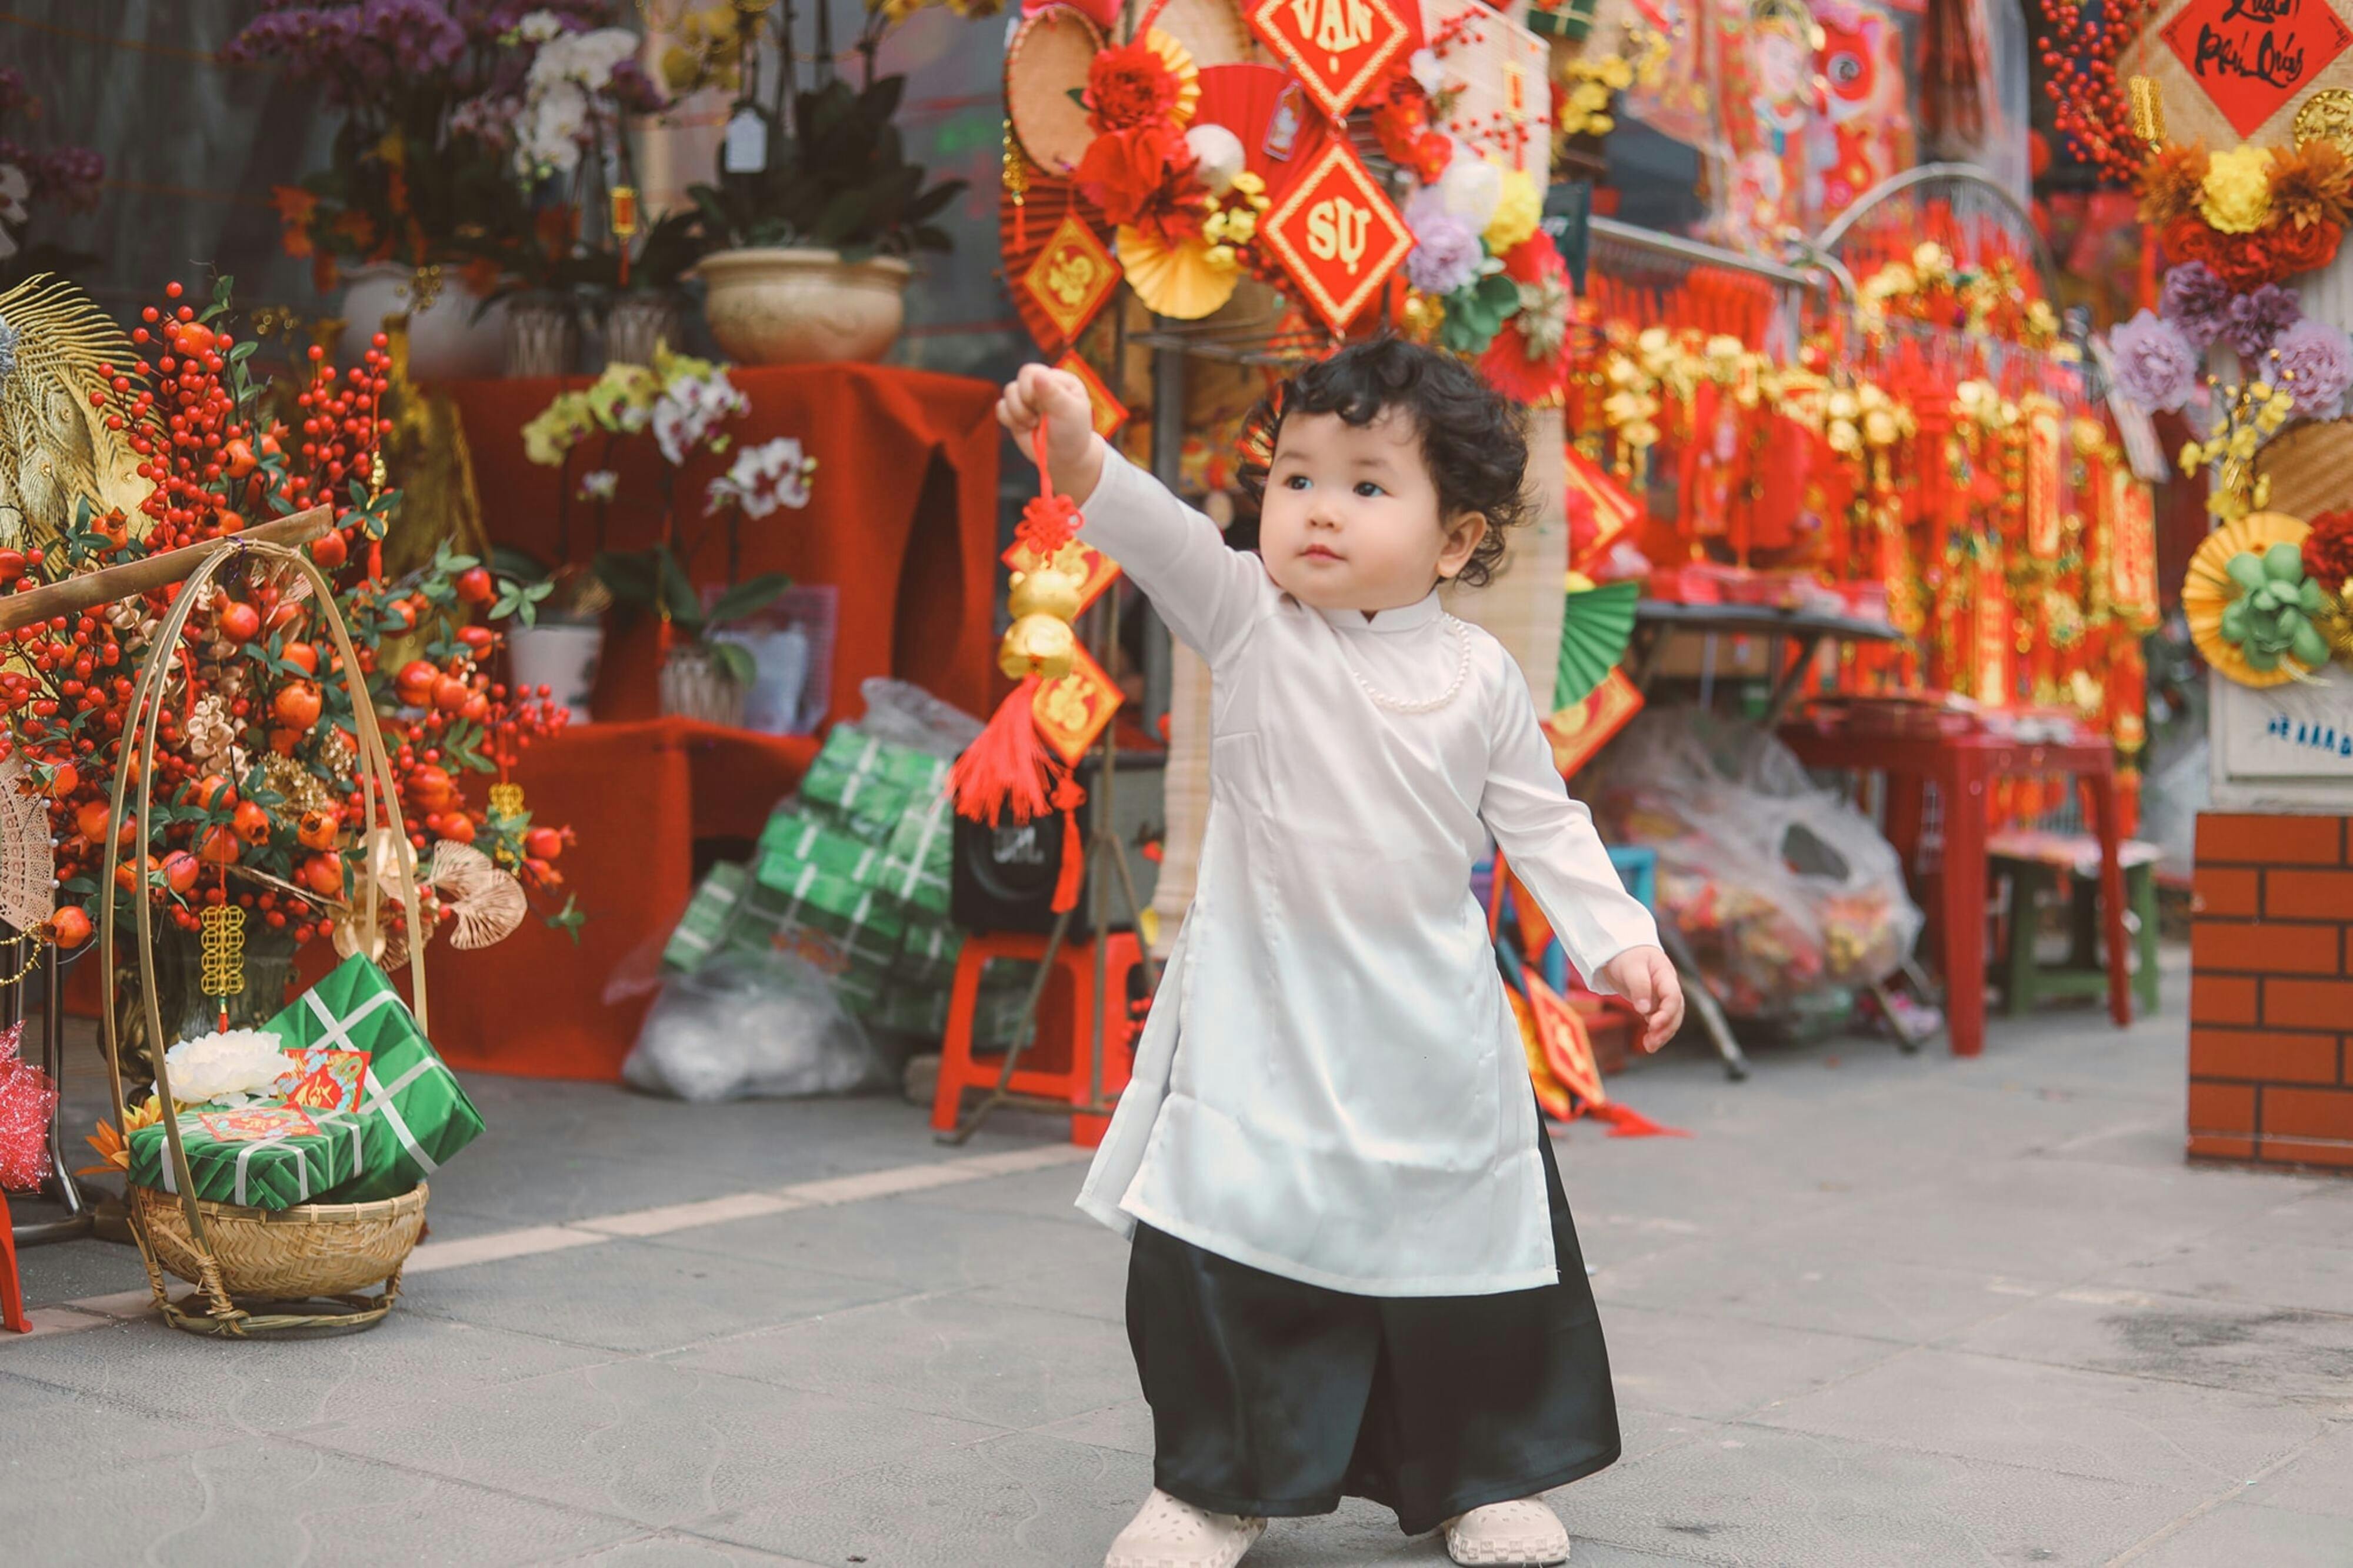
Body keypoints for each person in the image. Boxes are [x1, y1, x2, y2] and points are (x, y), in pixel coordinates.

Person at [996, 340, 1684, 1568]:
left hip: (1427, 1029)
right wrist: (1078, 455)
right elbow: (1160, 539)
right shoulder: (1251, 621)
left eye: (1368, 485)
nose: (1317, 507)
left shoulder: (1477, 676)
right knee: (1219, 1251)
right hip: (1260, 1020)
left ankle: (1479, 1477)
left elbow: (1539, 819)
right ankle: (1212, 1488)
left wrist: (1619, 940)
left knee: (1463, 1266)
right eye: (1295, 476)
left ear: (1457, 539)